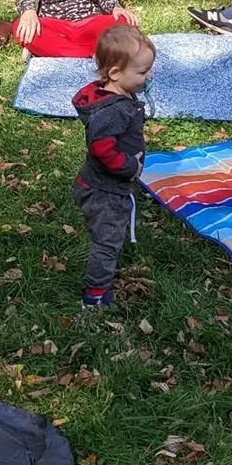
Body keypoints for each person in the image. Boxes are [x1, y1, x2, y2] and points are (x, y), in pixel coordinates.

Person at [72, 24, 155, 308]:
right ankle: (95, 296)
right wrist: (128, 166)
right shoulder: (112, 111)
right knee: (106, 242)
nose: (149, 77)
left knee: (109, 237)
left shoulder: (118, 95)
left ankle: (100, 283)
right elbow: (101, 148)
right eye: (143, 73)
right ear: (116, 73)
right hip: (104, 191)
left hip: (104, 185)